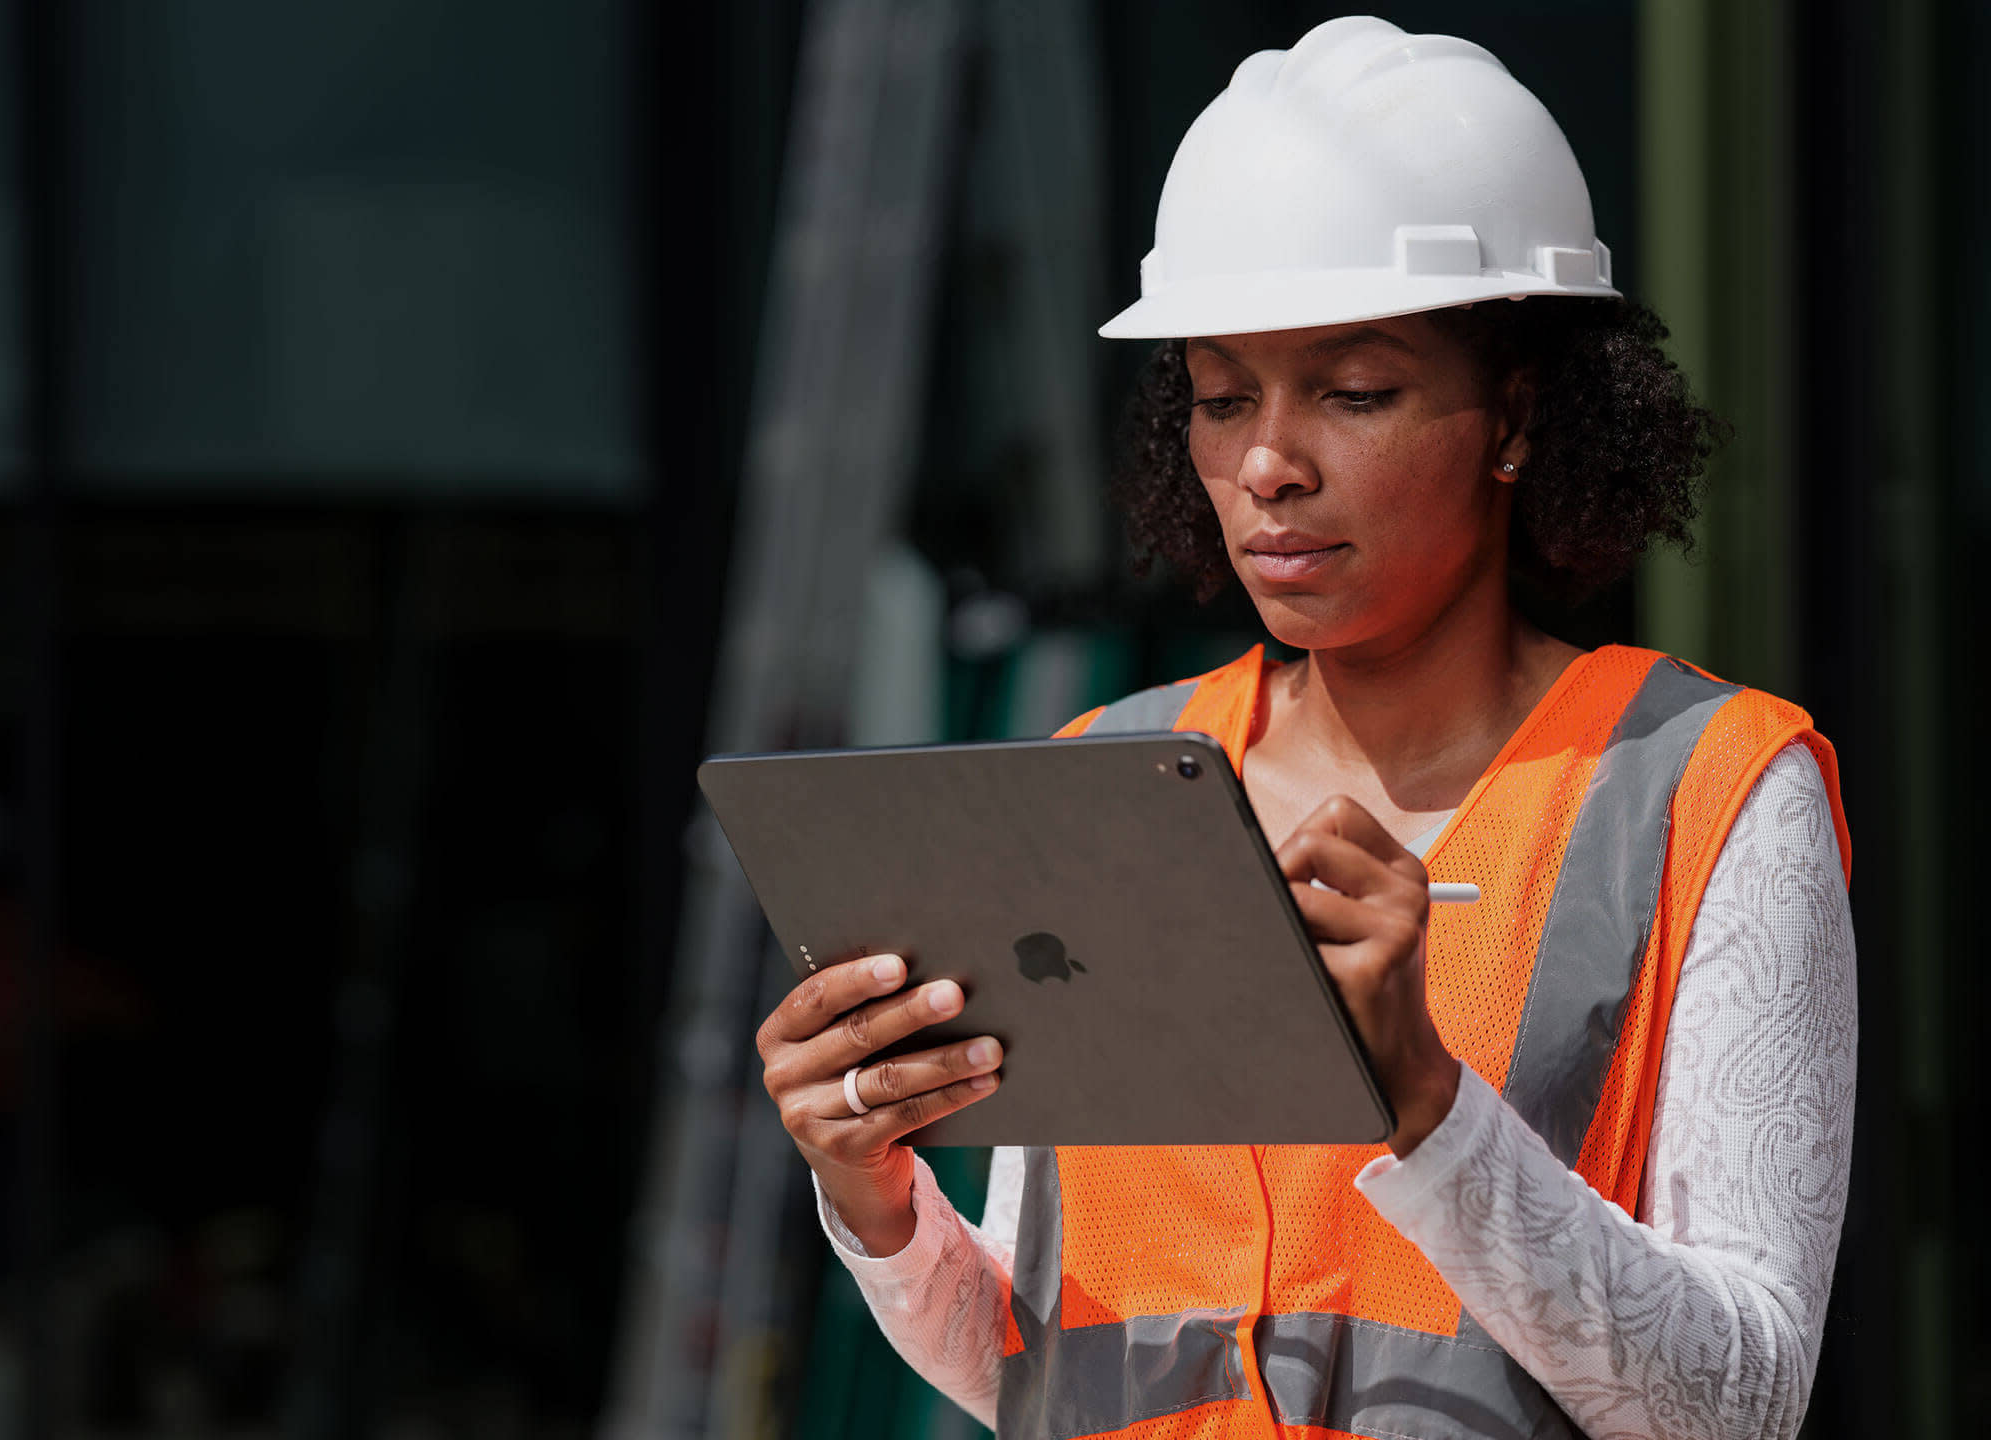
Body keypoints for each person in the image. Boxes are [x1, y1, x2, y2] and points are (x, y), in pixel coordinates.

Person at [753, 18, 1853, 1440]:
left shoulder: (1710, 794)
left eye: (1355, 391)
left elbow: (1742, 1407)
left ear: (1516, 414)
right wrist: (876, 1200)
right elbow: (1041, 1363)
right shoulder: (1103, 777)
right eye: (1222, 399)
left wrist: (1425, 1107)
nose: (1268, 462)